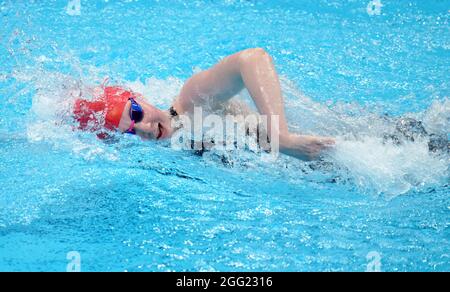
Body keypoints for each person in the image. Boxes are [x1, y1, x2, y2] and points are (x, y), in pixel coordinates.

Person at [73, 48, 335, 161]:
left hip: (330, 142)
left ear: (139, 96)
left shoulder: (192, 99)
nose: (145, 128)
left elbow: (252, 59)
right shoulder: (170, 149)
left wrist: (281, 138)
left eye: (137, 113)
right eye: (129, 131)